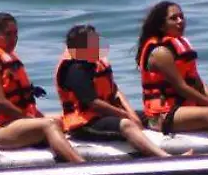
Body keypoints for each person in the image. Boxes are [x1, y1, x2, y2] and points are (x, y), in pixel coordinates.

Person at [0, 13, 85, 163]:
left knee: (64, 120)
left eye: (15, 34)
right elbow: (0, 104)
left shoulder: (6, 59)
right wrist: (30, 119)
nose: (13, 39)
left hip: (16, 123)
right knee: (48, 125)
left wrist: (35, 117)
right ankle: (81, 165)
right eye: (7, 34)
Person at [135, 1, 208, 152]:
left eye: (181, 17)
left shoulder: (179, 47)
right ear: (162, 26)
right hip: (162, 115)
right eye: (173, 18)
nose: (180, 21)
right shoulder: (160, 53)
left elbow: (197, 83)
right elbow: (181, 88)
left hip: (185, 108)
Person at [55, 24, 171, 158]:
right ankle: (164, 157)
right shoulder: (74, 69)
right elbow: (94, 103)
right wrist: (125, 116)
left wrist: (130, 112)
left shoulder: (94, 62)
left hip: (105, 115)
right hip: (85, 123)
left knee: (151, 115)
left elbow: (115, 91)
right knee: (126, 124)